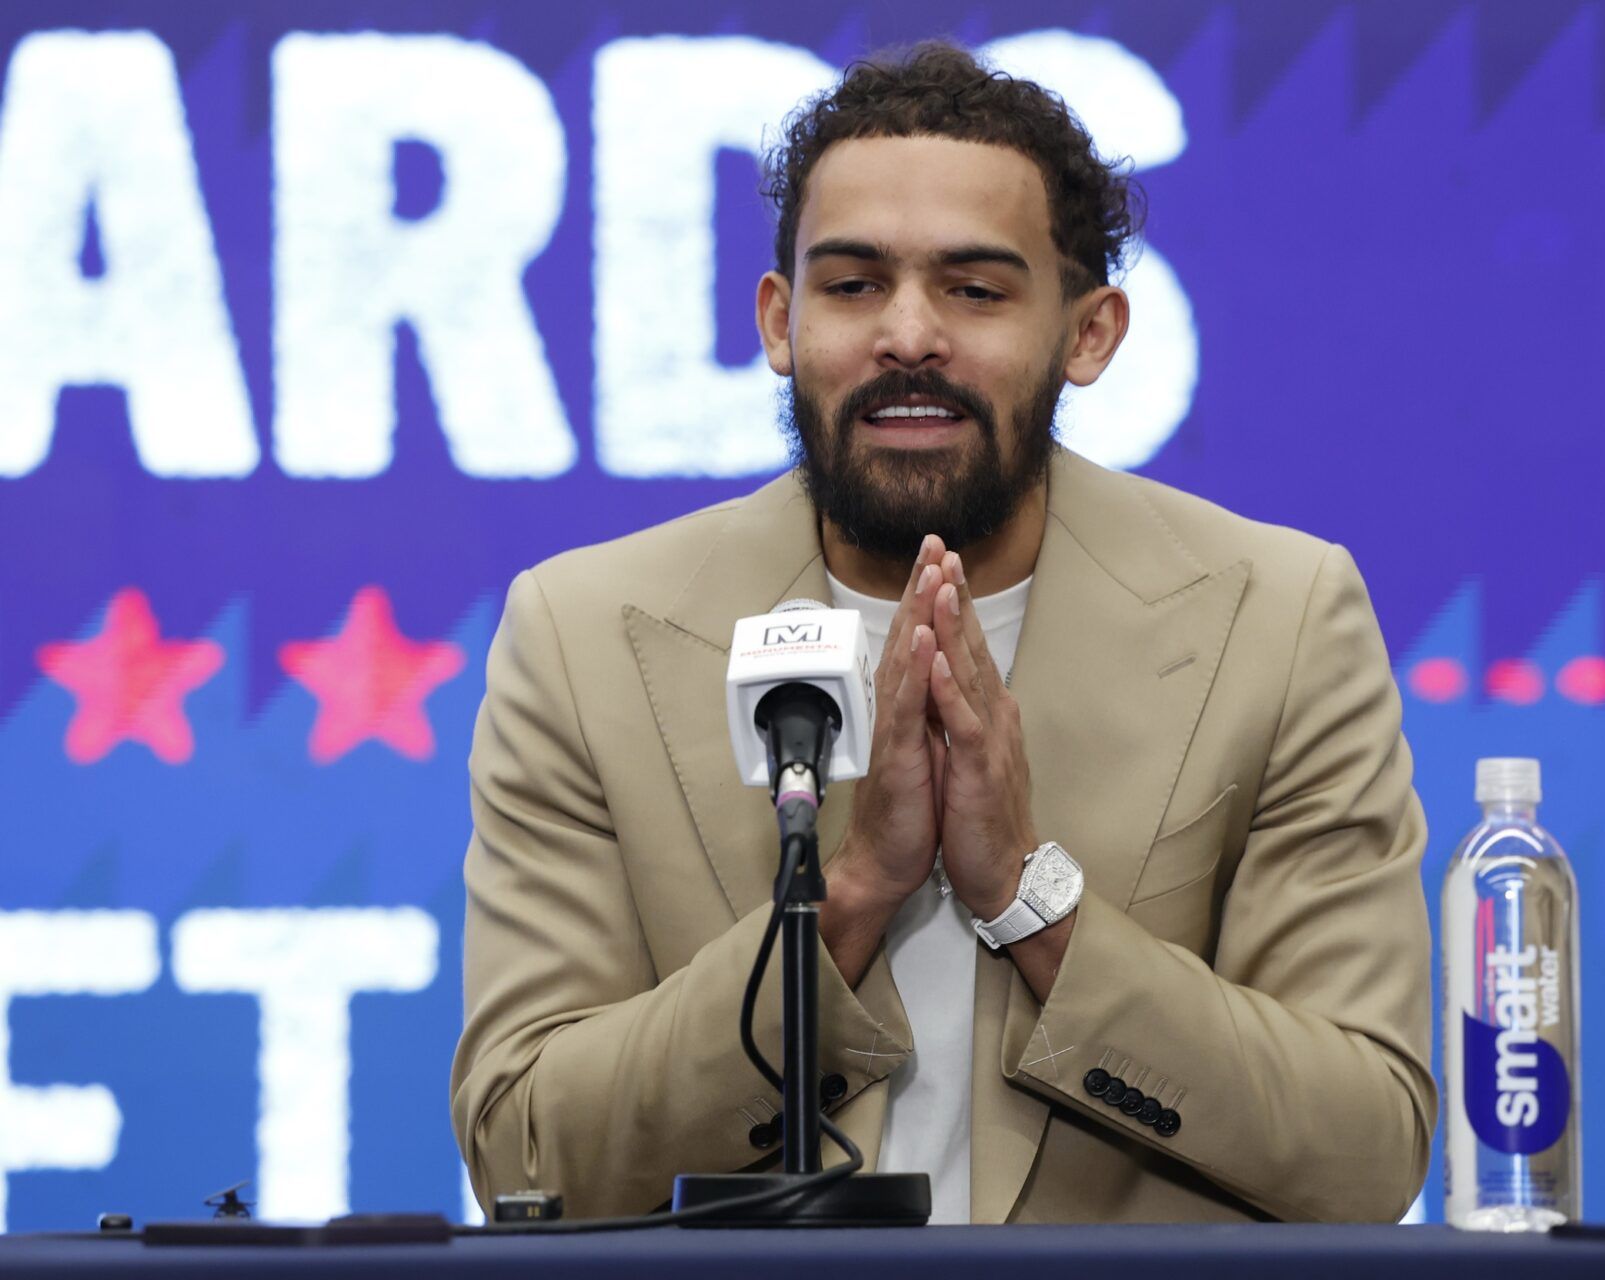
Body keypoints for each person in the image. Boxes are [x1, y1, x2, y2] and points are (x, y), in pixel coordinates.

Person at [451, 39, 1434, 1226]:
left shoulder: (1278, 619)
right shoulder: (585, 635)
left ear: (1090, 332)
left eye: (975, 290)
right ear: (779, 319)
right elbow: (522, 1150)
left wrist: (1031, 895)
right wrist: (851, 897)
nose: (908, 334)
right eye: (853, 283)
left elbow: (1367, 1150)